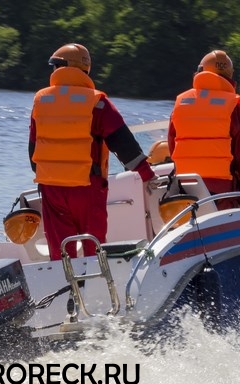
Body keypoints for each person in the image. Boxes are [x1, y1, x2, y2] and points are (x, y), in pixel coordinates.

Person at [28, 43, 155, 260]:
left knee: (60, 252)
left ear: (62, 68)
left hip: (52, 189)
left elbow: (33, 150)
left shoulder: (41, 100)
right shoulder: (97, 102)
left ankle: (65, 291)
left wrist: (51, 174)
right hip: (88, 187)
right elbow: (121, 141)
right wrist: (147, 174)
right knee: (93, 247)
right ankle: (94, 288)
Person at [167, 50, 240, 210]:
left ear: (199, 72)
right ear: (230, 76)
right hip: (222, 193)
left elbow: (173, 147)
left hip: (185, 189)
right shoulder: (233, 106)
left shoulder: (180, 103)